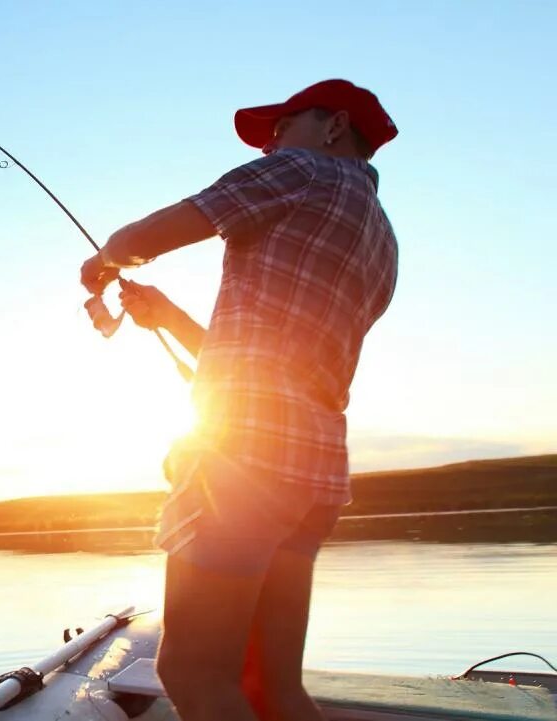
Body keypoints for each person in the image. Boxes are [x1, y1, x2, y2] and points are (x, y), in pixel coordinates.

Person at [79, 79, 399, 721]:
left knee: (193, 674)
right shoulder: (382, 238)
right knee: (274, 688)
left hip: (245, 465)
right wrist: (167, 316)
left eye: (281, 128)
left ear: (334, 127)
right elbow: (271, 363)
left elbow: (155, 232)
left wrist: (107, 260)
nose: (271, 146)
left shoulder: (299, 171)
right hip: (312, 475)